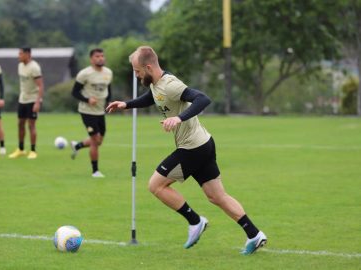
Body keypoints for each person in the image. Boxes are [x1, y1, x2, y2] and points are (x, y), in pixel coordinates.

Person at [106, 46, 267, 254]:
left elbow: (203, 99)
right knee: (217, 196)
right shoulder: (157, 84)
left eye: (137, 71)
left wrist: (179, 118)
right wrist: (125, 105)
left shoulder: (170, 84)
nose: (136, 76)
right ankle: (254, 234)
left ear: (148, 67)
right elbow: (152, 98)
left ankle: (195, 221)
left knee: (156, 185)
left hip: (193, 148)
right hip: (204, 143)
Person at [70, 48, 113, 178]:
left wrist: (109, 104)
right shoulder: (84, 74)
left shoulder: (108, 72)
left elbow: (108, 90)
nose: (100, 58)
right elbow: (74, 92)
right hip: (87, 111)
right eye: (97, 56)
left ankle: (77, 145)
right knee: (95, 141)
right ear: (91, 59)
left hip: (100, 111)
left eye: (102, 56)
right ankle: (95, 171)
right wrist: (87, 99)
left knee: (99, 141)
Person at [8, 47, 44, 159]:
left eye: (20, 54)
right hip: (22, 99)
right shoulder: (20, 66)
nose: (18, 56)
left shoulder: (34, 67)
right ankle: (21, 149)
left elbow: (41, 86)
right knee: (20, 124)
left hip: (33, 100)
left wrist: (38, 102)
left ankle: (33, 151)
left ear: (27, 54)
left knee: (31, 125)